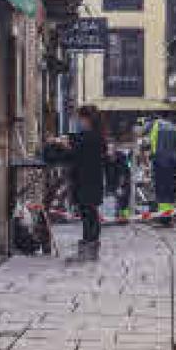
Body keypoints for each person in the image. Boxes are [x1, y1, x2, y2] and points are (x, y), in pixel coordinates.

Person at [43, 105, 108, 261]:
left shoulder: (89, 137)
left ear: (87, 119)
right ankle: (89, 249)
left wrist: (60, 144)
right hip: (92, 181)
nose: (78, 121)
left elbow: (73, 154)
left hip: (86, 181)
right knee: (90, 214)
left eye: (80, 118)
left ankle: (88, 250)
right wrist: (65, 142)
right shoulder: (96, 137)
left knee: (89, 215)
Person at [148, 117, 176, 226]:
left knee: (161, 190)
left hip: (159, 162)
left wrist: (151, 158)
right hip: (172, 163)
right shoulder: (174, 127)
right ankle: (169, 215)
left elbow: (151, 145)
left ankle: (163, 216)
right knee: (170, 189)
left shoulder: (154, 127)